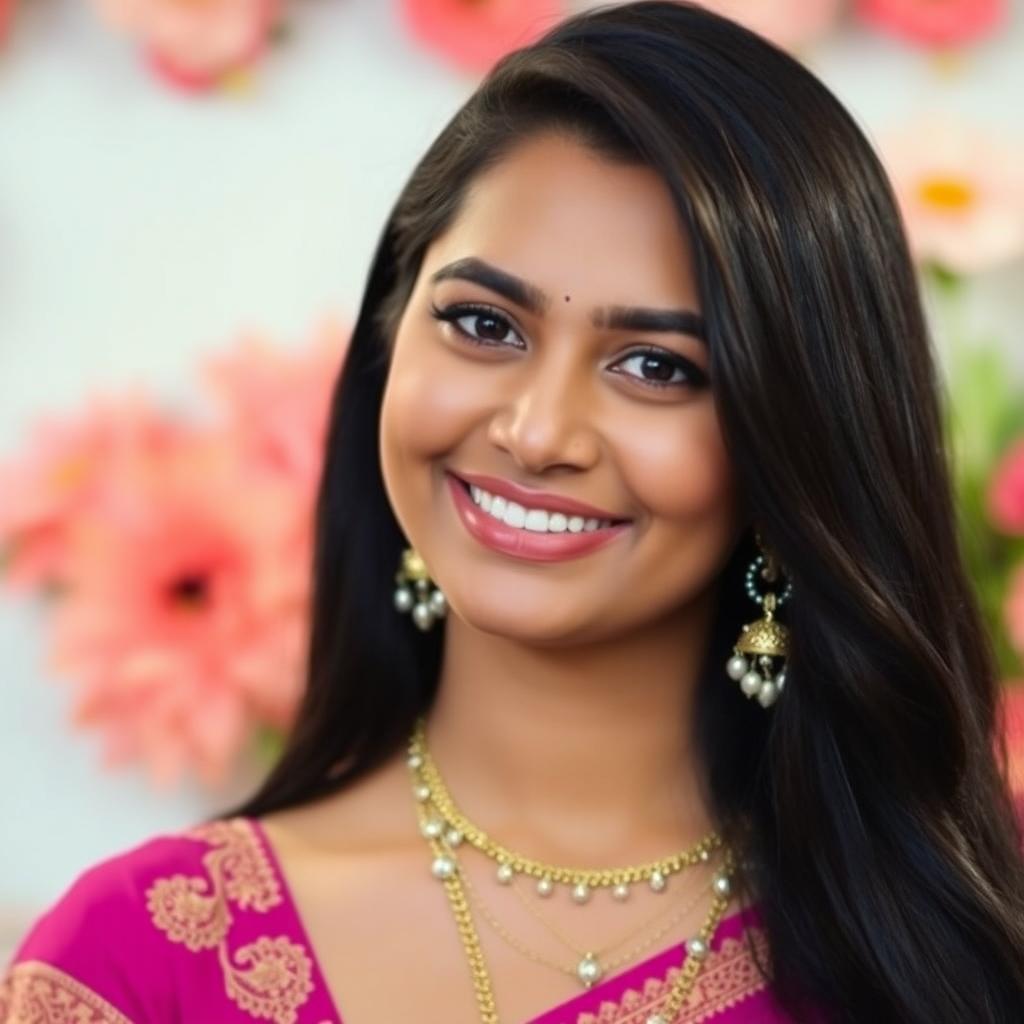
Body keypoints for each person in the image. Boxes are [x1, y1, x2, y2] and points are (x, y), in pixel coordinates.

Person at [5, 2, 1024, 1021]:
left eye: (657, 366)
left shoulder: (925, 962)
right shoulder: (139, 962)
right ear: (389, 340)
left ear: (795, 438)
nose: (538, 432)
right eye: (483, 324)